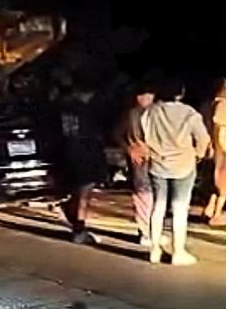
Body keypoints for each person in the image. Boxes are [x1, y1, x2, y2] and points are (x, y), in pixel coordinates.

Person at [141, 78, 211, 265]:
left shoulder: (151, 112)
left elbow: (144, 135)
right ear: (180, 94)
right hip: (183, 165)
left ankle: (154, 249)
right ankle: (178, 252)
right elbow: (203, 139)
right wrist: (197, 155)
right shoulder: (189, 113)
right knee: (180, 209)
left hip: (157, 164)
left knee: (158, 206)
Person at [58, 75, 107, 244]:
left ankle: (77, 225)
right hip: (84, 151)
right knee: (83, 193)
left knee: (73, 192)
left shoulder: (63, 108)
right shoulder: (85, 111)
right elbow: (93, 135)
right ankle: (79, 229)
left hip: (67, 150)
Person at [115, 84, 159, 246]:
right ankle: (145, 232)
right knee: (143, 194)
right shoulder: (131, 114)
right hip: (140, 160)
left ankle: (152, 231)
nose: (147, 98)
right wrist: (129, 149)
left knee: (153, 195)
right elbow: (117, 134)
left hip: (155, 158)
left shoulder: (156, 112)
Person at [205, 79, 226, 226]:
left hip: (216, 144)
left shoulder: (212, 104)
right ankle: (217, 213)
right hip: (223, 144)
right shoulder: (223, 105)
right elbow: (220, 128)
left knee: (217, 178)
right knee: (223, 180)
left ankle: (210, 207)